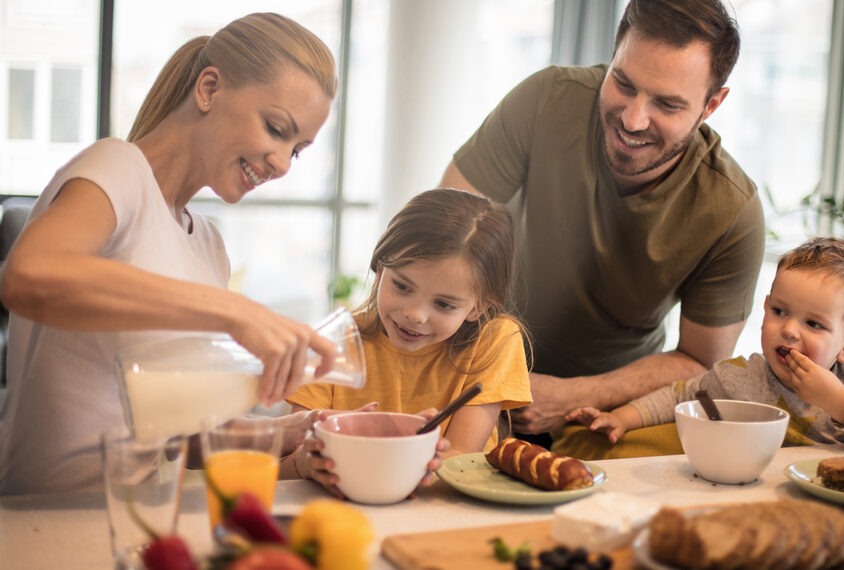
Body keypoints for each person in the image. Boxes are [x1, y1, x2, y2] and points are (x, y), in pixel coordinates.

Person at [0, 13, 448, 496]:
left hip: (139, 518)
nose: (281, 164)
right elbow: (28, 276)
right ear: (209, 88)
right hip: (43, 514)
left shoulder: (208, 246)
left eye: (296, 150)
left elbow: (178, 436)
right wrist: (235, 312)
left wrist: (291, 433)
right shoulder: (117, 168)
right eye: (277, 129)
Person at [438, 0, 765, 457]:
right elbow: (443, 238)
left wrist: (577, 396)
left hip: (608, 413)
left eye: (667, 104)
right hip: (477, 373)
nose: (632, 119)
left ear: (712, 104)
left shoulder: (732, 210)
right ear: (614, 51)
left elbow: (700, 361)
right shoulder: (546, 98)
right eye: (623, 84)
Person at [567, 237, 844, 453]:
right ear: (765, 307)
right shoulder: (739, 377)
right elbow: (682, 396)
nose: (789, 331)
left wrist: (836, 400)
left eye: (813, 323)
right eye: (780, 311)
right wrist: (621, 418)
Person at [287, 189, 533, 495]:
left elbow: (459, 458)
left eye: (443, 304)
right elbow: (286, 462)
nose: (415, 315)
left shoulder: (496, 341)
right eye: (402, 286)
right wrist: (304, 463)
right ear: (379, 270)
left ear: (479, 307)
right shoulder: (332, 342)